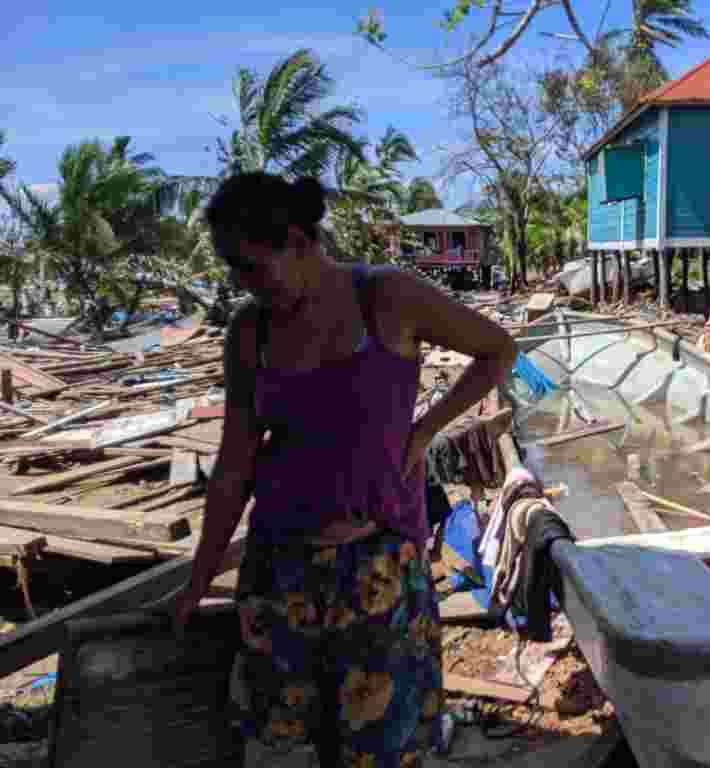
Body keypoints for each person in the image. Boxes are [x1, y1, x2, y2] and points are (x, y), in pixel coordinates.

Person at [172, 172, 517, 767]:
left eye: (251, 266)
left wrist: (427, 427)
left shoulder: (386, 298)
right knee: (281, 746)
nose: (241, 284)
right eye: (231, 268)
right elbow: (234, 464)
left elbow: (497, 349)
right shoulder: (248, 334)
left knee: (381, 748)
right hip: (280, 574)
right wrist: (199, 580)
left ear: (301, 242)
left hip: (379, 567)